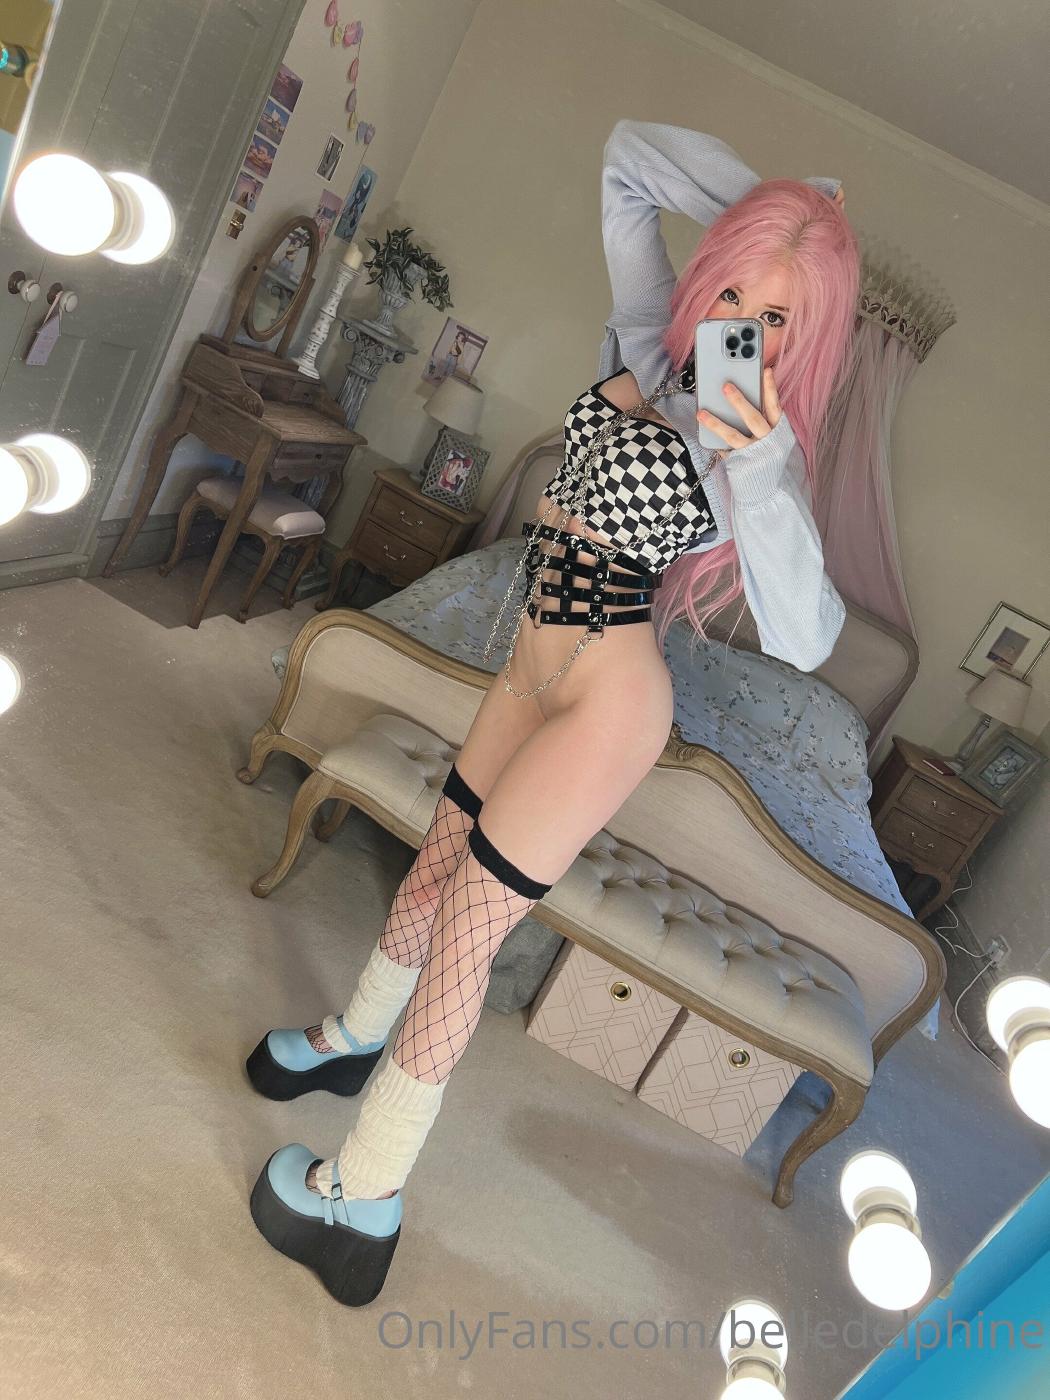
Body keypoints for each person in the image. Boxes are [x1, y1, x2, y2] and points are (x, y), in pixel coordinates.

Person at [245, 119, 857, 1306]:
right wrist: (784, 211)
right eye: (735, 285)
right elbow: (625, 157)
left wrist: (763, 465)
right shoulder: (654, 335)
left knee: (469, 934)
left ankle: (362, 1194)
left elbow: (806, 637)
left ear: (811, 331)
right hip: (530, 664)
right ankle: (353, 1035)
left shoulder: (758, 447)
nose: (741, 319)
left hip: (606, 700)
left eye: (777, 314)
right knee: (433, 857)